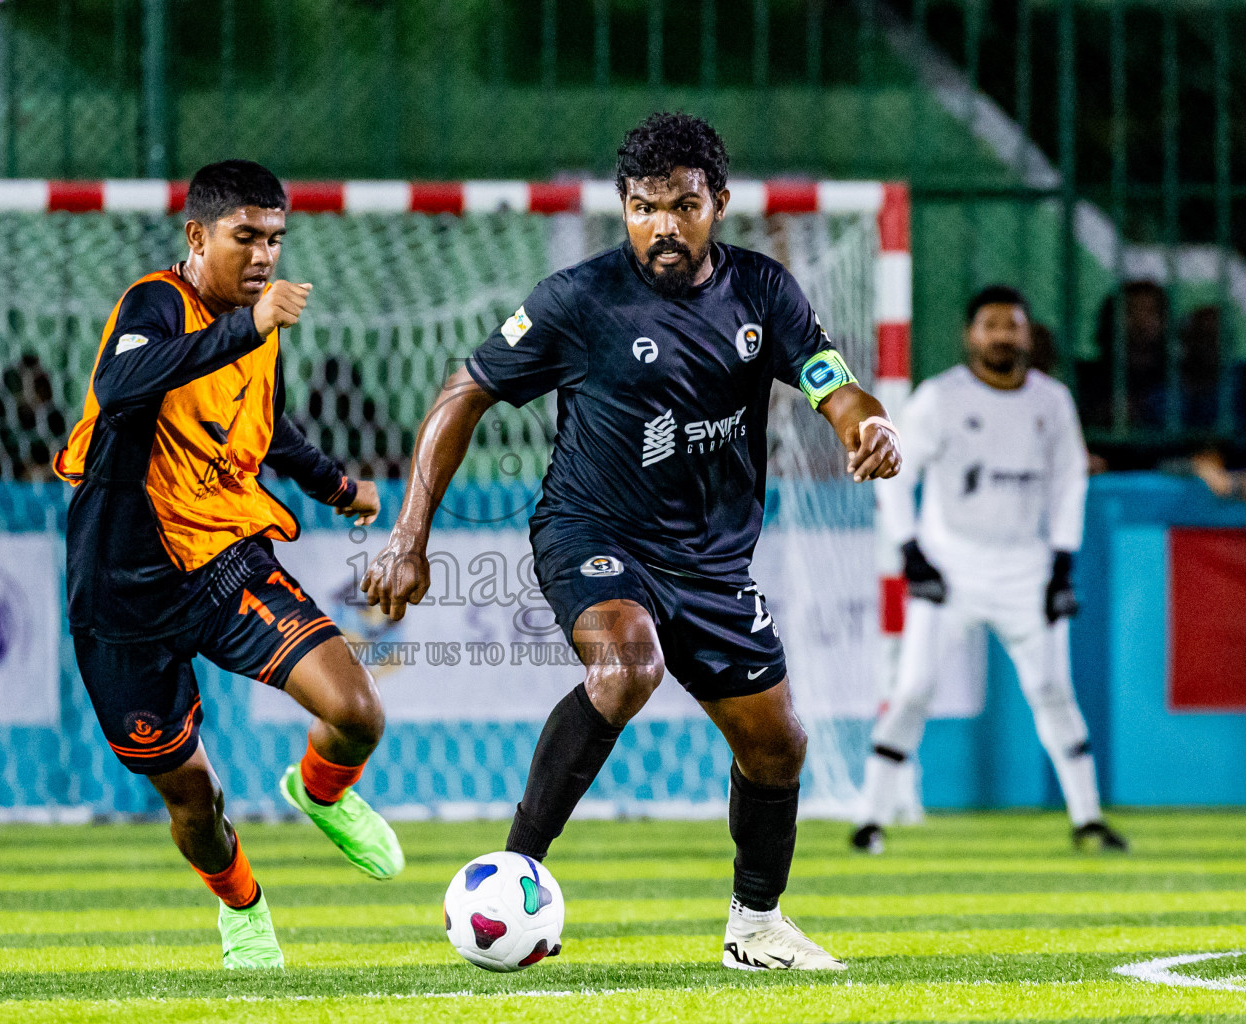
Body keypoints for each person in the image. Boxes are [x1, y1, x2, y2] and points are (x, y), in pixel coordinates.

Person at [362, 112, 902, 972]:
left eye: (683, 205)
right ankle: (514, 871)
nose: (662, 226)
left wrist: (866, 428)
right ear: (624, 206)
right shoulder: (579, 301)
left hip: (714, 562)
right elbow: (464, 392)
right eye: (644, 206)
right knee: (627, 665)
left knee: (779, 745)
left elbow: (836, 387)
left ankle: (755, 926)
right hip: (593, 531)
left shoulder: (763, 293)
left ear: (718, 204)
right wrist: (408, 532)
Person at [53, 160, 401, 971]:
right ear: (197, 236)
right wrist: (247, 327)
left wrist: (339, 486)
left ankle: (319, 792)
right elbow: (122, 381)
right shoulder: (156, 304)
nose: (263, 257)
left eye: (275, 240)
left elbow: (266, 430)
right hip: (121, 598)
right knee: (195, 802)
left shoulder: (254, 326)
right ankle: (243, 908)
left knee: (358, 711)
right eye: (246, 237)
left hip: (221, 565)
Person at [854, 285, 1128, 855]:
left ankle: (1088, 819)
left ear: (1028, 335)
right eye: (992, 324)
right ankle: (870, 818)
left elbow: (1069, 482)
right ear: (970, 334)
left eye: (1014, 324)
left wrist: (1061, 564)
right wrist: (911, 552)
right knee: (912, 689)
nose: (1003, 334)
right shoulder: (939, 398)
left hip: (1026, 570)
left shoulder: (1052, 401)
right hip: (950, 568)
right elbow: (898, 477)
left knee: (1053, 688)